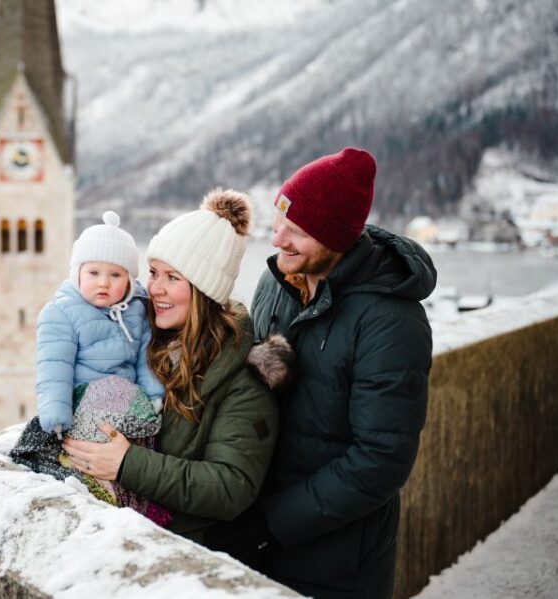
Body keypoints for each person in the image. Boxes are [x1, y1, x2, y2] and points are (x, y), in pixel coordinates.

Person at [249, 148, 436, 599]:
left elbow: (380, 460)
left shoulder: (391, 321)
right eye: (277, 224)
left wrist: (271, 522)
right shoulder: (274, 284)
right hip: (258, 536)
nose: (278, 241)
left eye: (295, 232)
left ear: (334, 236)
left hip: (336, 559)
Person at [61, 189, 291, 546]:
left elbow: (231, 487)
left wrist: (127, 464)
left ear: (203, 290)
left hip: (180, 550)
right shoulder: (139, 339)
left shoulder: (243, 380)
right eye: (153, 272)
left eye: (173, 278)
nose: (154, 288)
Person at [36, 210, 165, 436]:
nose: (103, 283)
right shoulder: (62, 312)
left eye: (115, 275)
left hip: (125, 401)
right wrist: (56, 415)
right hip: (83, 401)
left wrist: (154, 394)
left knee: (148, 428)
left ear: (128, 281)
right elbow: (55, 368)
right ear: (78, 273)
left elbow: (146, 358)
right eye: (93, 273)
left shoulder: (137, 309)